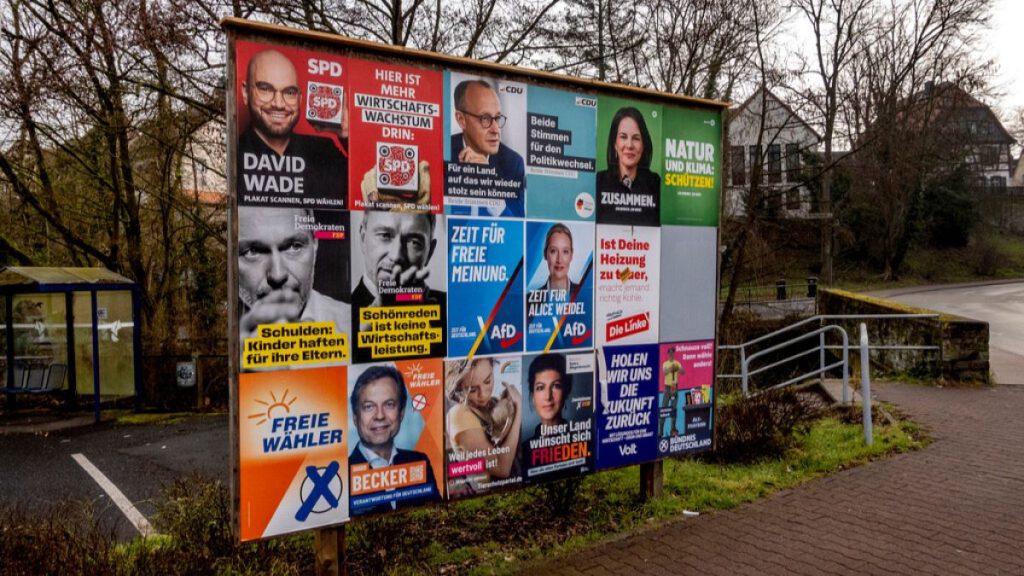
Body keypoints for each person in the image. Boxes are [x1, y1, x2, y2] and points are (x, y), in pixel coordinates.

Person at [237, 48, 347, 206]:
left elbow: (371, 191)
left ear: (300, 99)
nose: (279, 104)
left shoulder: (324, 151)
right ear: (246, 93)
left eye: (289, 92)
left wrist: (346, 134)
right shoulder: (236, 156)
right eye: (266, 89)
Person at [237, 206, 350, 353]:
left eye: (294, 246)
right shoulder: (228, 339)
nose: (277, 275)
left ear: (315, 247)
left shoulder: (351, 328)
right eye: (252, 251)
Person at [351, 211, 446, 362]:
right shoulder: (338, 315)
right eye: (385, 236)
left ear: (430, 252)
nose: (396, 256)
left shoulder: (449, 310)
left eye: (414, 242)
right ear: (363, 238)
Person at [349, 364, 439, 513]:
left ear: (401, 413)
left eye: (389, 404)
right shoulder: (343, 474)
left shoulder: (419, 462)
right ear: (355, 417)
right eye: (369, 406)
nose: (379, 416)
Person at [449, 79, 525, 216]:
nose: (496, 130)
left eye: (497, 118)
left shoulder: (513, 163)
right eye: (485, 118)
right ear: (461, 120)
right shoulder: (443, 153)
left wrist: (489, 186)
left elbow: (518, 228)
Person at [445, 358, 522, 493]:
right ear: (458, 388)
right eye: (473, 389)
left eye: (488, 381)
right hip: (486, 497)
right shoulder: (459, 414)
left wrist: (507, 409)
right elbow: (502, 468)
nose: (484, 394)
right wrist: (519, 407)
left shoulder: (491, 404)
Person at [596, 106, 660, 225]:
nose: (629, 145)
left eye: (636, 138)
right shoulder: (599, 182)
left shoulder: (655, 184)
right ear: (615, 143)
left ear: (643, 145)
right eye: (623, 137)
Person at [527, 224, 580, 319]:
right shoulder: (529, 301)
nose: (559, 260)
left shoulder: (582, 295)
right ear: (545, 254)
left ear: (571, 255)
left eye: (565, 251)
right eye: (553, 251)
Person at [659, 347, 684, 437]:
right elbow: (664, 372)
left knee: (673, 409)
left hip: (674, 387)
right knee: (664, 408)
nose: (670, 355)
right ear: (667, 355)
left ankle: (672, 430)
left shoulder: (677, 363)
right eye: (669, 353)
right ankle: (660, 431)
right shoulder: (665, 363)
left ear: (673, 354)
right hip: (667, 388)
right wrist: (671, 368)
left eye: (672, 353)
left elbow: (683, 372)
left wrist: (678, 368)